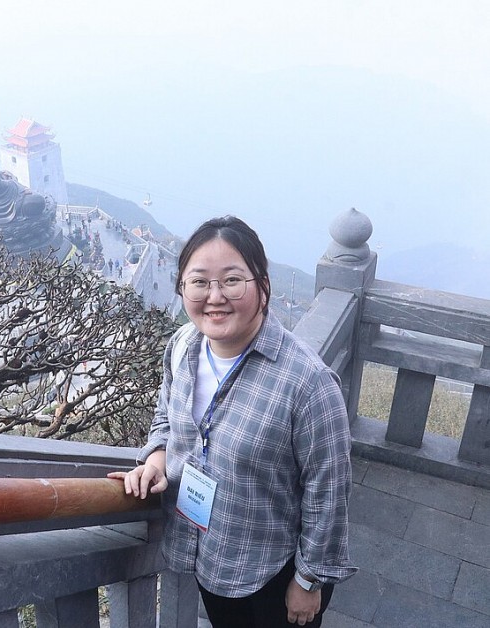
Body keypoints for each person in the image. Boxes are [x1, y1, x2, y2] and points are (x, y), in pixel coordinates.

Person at [109, 216, 356, 627]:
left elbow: (328, 492)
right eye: (200, 281)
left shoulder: (308, 384)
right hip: (210, 554)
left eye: (232, 281)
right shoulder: (183, 346)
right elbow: (164, 417)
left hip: (275, 571)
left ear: (262, 285)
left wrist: (308, 580)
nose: (215, 296)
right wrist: (154, 459)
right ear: (182, 288)